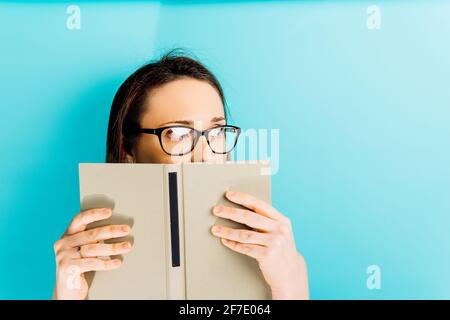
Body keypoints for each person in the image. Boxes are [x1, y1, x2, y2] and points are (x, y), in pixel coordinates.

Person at [53, 50, 309, 300]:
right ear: (127, 148)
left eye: (217, 131)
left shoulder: (277, 255)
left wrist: (290, 289)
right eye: (177, 134)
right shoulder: (86, 261)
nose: (205, 155)